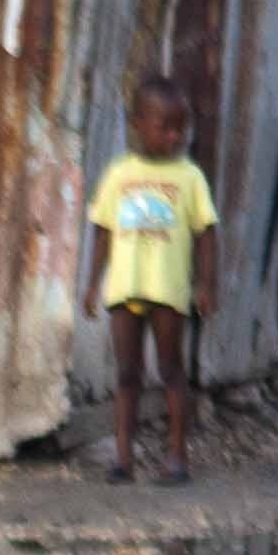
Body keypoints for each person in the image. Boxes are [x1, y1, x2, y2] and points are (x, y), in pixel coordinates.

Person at [77, 74, 220, 484]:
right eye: (166, 127)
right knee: (126, 374)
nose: (176, 137)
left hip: (168, 291)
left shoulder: (189, 177)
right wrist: (92, 282)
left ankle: (177, 457)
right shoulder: (119, 173)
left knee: (172, 371)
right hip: (125, 288)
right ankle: (123, 459)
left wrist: (206, 285)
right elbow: (102, 229)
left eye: (182, 129)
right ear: (137, 124)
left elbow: (207, 232)